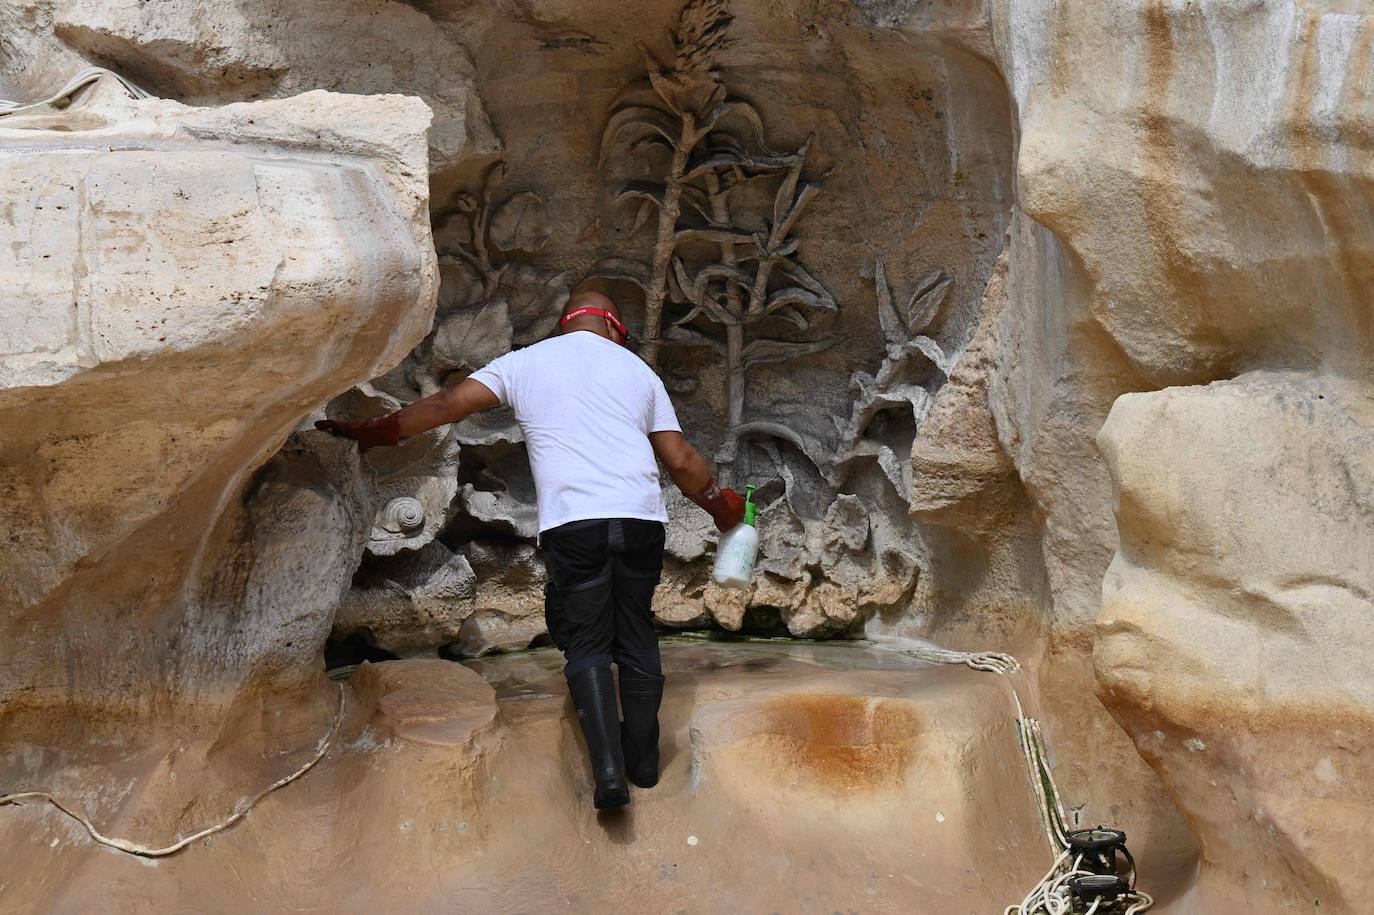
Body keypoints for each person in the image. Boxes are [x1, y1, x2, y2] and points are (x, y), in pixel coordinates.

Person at [317, 290, 745, 809]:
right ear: (612, 327)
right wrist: (721, 509)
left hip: (574, 524)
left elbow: (447, 405)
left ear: (567, 324)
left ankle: (609, 774)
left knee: (587, 641)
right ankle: (646, 765)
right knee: (635, 631)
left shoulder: (525, 362)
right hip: (638, 521)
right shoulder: (636, 371)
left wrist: (377, 431)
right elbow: (680, 458)